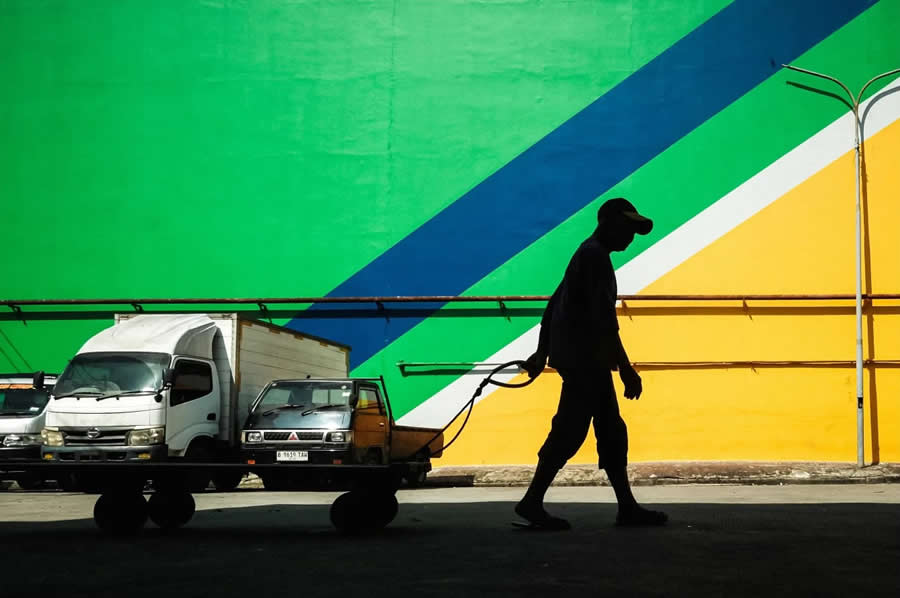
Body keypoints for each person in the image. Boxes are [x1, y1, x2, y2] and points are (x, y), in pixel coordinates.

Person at [516, 197, 668, 530]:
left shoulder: (586, 253)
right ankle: (532, 502)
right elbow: (603, 320)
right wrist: (626, 368)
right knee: (571, 432)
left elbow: (554, 303)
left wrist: (542, 352)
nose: (631, 237)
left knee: (610, 430)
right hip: (586, 361)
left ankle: (626, 507)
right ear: (609, 222)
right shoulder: (595, 257)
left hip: (584, 360)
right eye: (627, 228)